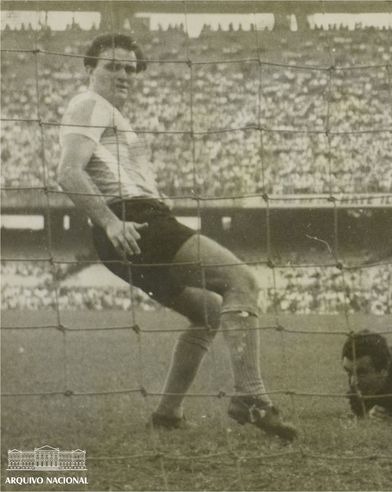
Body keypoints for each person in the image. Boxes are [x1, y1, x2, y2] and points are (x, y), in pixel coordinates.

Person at [56, 33, 297, 440]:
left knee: (206, 315)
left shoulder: (112, 115)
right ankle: (250, 397)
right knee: (242, 281)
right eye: (112, 66)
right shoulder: (88, 103)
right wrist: (111, 222)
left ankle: (168, 413)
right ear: (88, 69)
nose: (124, 75)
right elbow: (67, 172)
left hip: (127, 230)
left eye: (131, 68)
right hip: (133, 223)